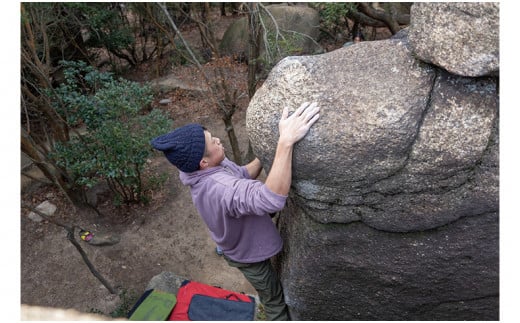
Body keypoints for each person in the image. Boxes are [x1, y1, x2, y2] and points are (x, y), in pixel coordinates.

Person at [151, 101, 320, 320]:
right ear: (203, 162)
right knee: (274, 300)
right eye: (213, 141)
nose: (218, 139)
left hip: (234, 234)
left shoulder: (205, 168)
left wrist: (266, 154)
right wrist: (285, 143)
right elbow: (271, 200)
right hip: (248, 255)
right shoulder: (220, 188)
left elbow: (240, 174)